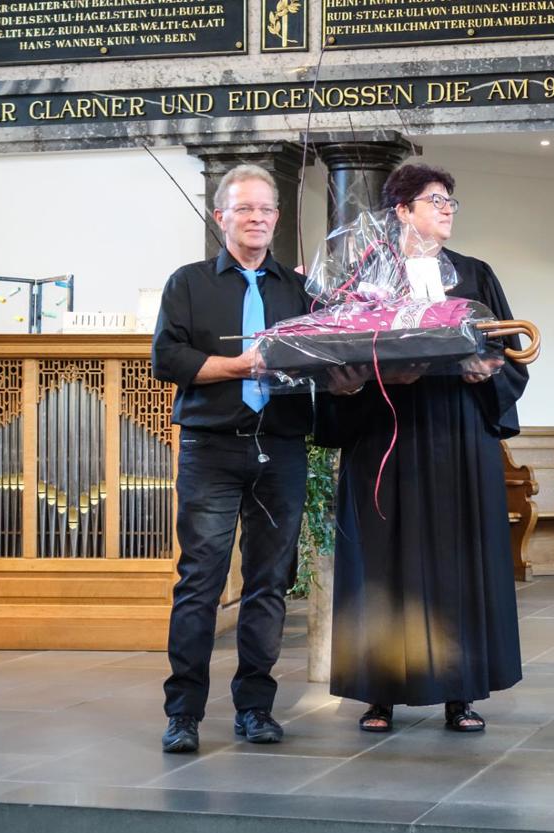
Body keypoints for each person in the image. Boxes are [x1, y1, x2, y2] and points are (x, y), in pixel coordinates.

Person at [314, 162, 528, 734]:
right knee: (382, 564)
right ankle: (378, 691)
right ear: (402, 211)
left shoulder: (476, 274)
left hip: (458, 431)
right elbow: (336, 359)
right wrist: (369, 379)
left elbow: (508, 349)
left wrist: (489, 372)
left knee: (461, 559)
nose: (447, 210)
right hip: (388, 431)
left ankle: (461, 692)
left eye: (451, 202)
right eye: (435, 201)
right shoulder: (364, 276)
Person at [152, 164, 315, 753]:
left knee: (269, 584)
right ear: (221, 216)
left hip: (282, 447)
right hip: (210, 447)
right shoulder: (189, 282)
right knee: (201, 582)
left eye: (267, 209)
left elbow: (322, 358)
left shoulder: (299, 290)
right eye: (244, 208)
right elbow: (167, 359)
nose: (257, 218)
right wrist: (241, 366)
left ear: (277, 218)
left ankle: (255, 708)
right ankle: (184, 715)